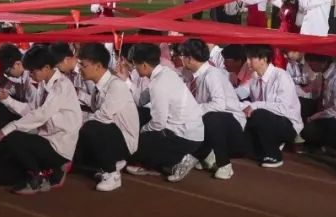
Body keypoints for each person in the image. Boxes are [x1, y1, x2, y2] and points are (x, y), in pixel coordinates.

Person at [0, 45, 81, 194]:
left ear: (46, 68)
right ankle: (50, 171)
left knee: (12, 137)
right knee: (0, 175)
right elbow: (32, 110)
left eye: (33, 71)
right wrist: (8, 100)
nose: (30, 75)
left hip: (59, 145)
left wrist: (9, 128)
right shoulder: (43, 84)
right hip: (44, 139)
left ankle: (39, 177)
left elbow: (42, 114)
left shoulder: (61, 86)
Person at [124, 43, 204, 182]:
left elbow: (158, 124)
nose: (134, 69)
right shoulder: (165, 72)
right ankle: (154, 164)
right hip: (190, 131)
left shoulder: (158, 83)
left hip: (184, 136)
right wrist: (125, 80)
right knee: (140, 113)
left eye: (135, 66)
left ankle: (180, 159)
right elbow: (140, 100)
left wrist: (141, 132)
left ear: (144, 65)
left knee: (132, 146)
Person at [177, 38, 247, 180]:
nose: (181, 60)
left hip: (230, 126)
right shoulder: (192, 75)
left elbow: (219, 105)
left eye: (182, 56)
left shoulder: (212, 74)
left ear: (189, 59)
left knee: (211, 117)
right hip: (213, 124)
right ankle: (205, 155)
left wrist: (194, 109)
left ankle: (224, 164)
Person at [74, 43, 139, 191]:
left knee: (90, 128)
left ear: (98, 66)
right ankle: (113, 162)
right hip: (112, 134)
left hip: (125, 141)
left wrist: (77, 123)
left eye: (83, 65)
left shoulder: (116, 86)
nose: (79, 69)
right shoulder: (99, 87)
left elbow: (102, 116)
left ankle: (112, 174)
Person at [241, 44, 301, 169]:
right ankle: (263, 146)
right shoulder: (254, 78)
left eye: (251, 58)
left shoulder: (281, 76)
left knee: (258, 114)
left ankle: (274, 155)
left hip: (288, 124)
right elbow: (244, 95)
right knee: (242, 146)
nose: (247, 62)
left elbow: (283, 108)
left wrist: (255, 106)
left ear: (263, 60)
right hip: (267, 121)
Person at [301, 54, 336, 159]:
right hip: (327, 114)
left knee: (309, 129)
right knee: (302, 106)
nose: (310, 65)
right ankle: (320, 143)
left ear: (324, 62)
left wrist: (314, 117)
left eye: (312, 62)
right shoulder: (323, 75)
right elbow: (313, 92)